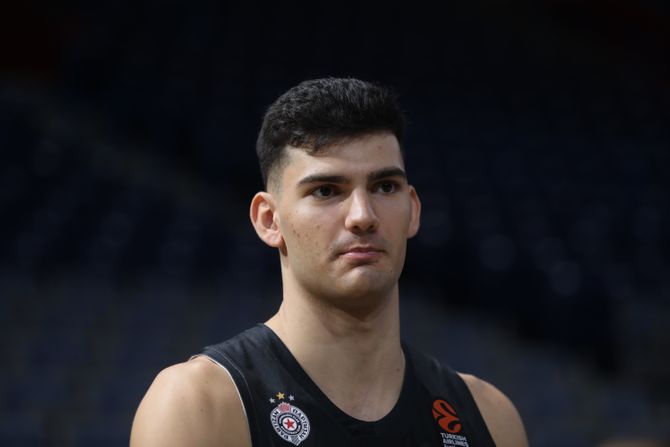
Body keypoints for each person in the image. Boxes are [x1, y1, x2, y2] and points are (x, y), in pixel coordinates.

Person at [130, 77, 528, 446]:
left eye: (385, 186)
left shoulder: (490, 417)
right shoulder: (198, 407)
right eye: (325, 190)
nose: (362, 216)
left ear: (413, 209)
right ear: (269, 220)